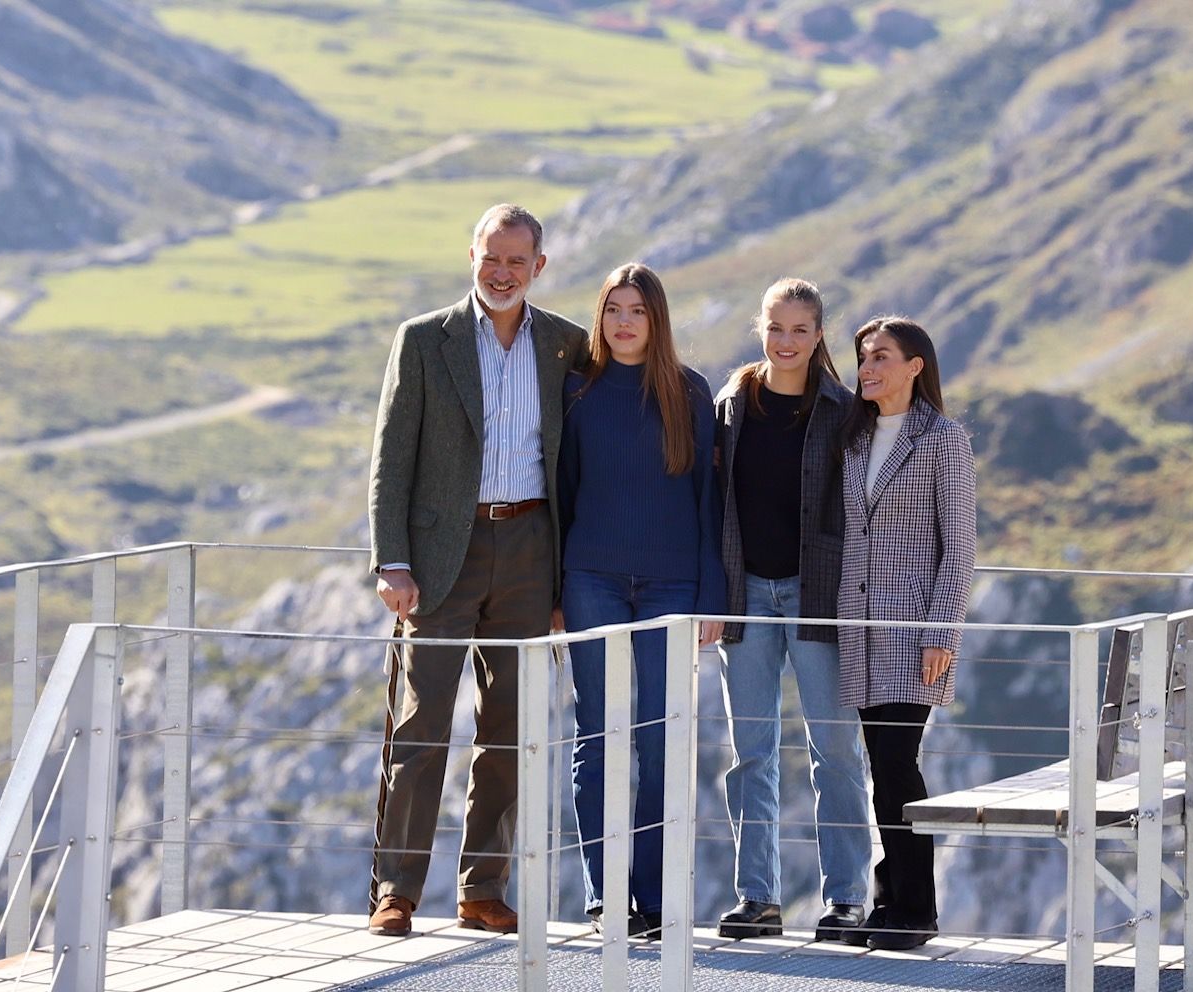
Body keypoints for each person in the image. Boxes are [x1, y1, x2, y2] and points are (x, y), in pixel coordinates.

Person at [366, 203, 588, 937]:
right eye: (490, 258)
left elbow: (579, 466)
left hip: (529, 551)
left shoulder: (565, 346)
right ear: (471, 255)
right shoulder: (425, 340)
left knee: (509, 732)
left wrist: (565, 582)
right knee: (419, 726)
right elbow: (391, 457)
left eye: (515, 262)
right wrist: (392, 561)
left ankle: (481, 891)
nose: (501, 272)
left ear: (538, 268)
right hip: (436, 561)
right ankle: (395, 890)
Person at [557, 262, 726, 938]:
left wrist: (711, 594)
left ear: (656, 320)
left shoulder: (689, 392)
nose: (623, 322)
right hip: (590, 578)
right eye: (612, 309)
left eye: (637, 310)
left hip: (672, 586)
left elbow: (709, 503)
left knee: (660, 743)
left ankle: (654, 900)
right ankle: (604, 897)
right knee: (596, 740)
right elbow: (562, 496)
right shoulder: (576, 392)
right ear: (599, 318)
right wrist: (553, 594)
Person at [713, 278, 870, 942]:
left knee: (833, 750)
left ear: (818, 335)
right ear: (760, 327)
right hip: (744, 593)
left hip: (818, 596)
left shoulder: (842, 409)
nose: (785, 342)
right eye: (775, 327)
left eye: (799, 330)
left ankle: (846, 900)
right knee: (751, 752)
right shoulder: (730, 403)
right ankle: (758, 899)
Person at [836, 316, 976, 951]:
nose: (868, 368)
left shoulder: (944, 438)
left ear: (916, 365)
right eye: (864, 358)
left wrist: (941, 631)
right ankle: (890, 900)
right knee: (883, 767)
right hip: (859, 626)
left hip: (916, 630)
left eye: (882, 357)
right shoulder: (856, 439)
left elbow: (960, 547)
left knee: (897, 764)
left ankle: (915, 909)